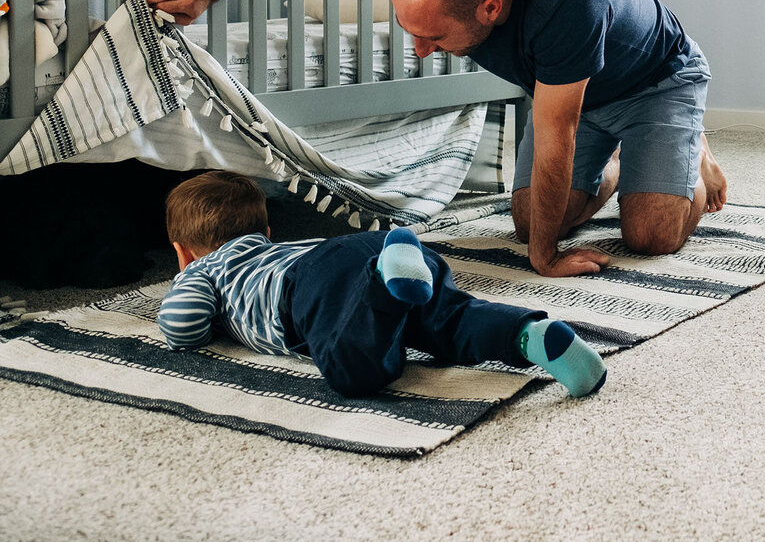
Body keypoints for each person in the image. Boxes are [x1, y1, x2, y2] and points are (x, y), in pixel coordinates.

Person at [126, 0, 728, 278]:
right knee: (529, 222)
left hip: (656, 82)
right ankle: (625, 161)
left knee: (650, 236)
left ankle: (689, 146)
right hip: (573, 96)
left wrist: (546, 261)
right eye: (410, 30)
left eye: (433, 37)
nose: (417, 50)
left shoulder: (573, 0)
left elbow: (555, 135)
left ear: (491, 7)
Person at [158, 170, 606, 399]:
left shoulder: (205, 269)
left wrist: (183, 283)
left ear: (183, 251)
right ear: (267, 232)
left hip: (308, 287)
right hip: (353, 249)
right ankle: (528, 335)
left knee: (355, 369)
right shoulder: (276, 248)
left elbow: (182, 325)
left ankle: (382, 282)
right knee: (448, 320)